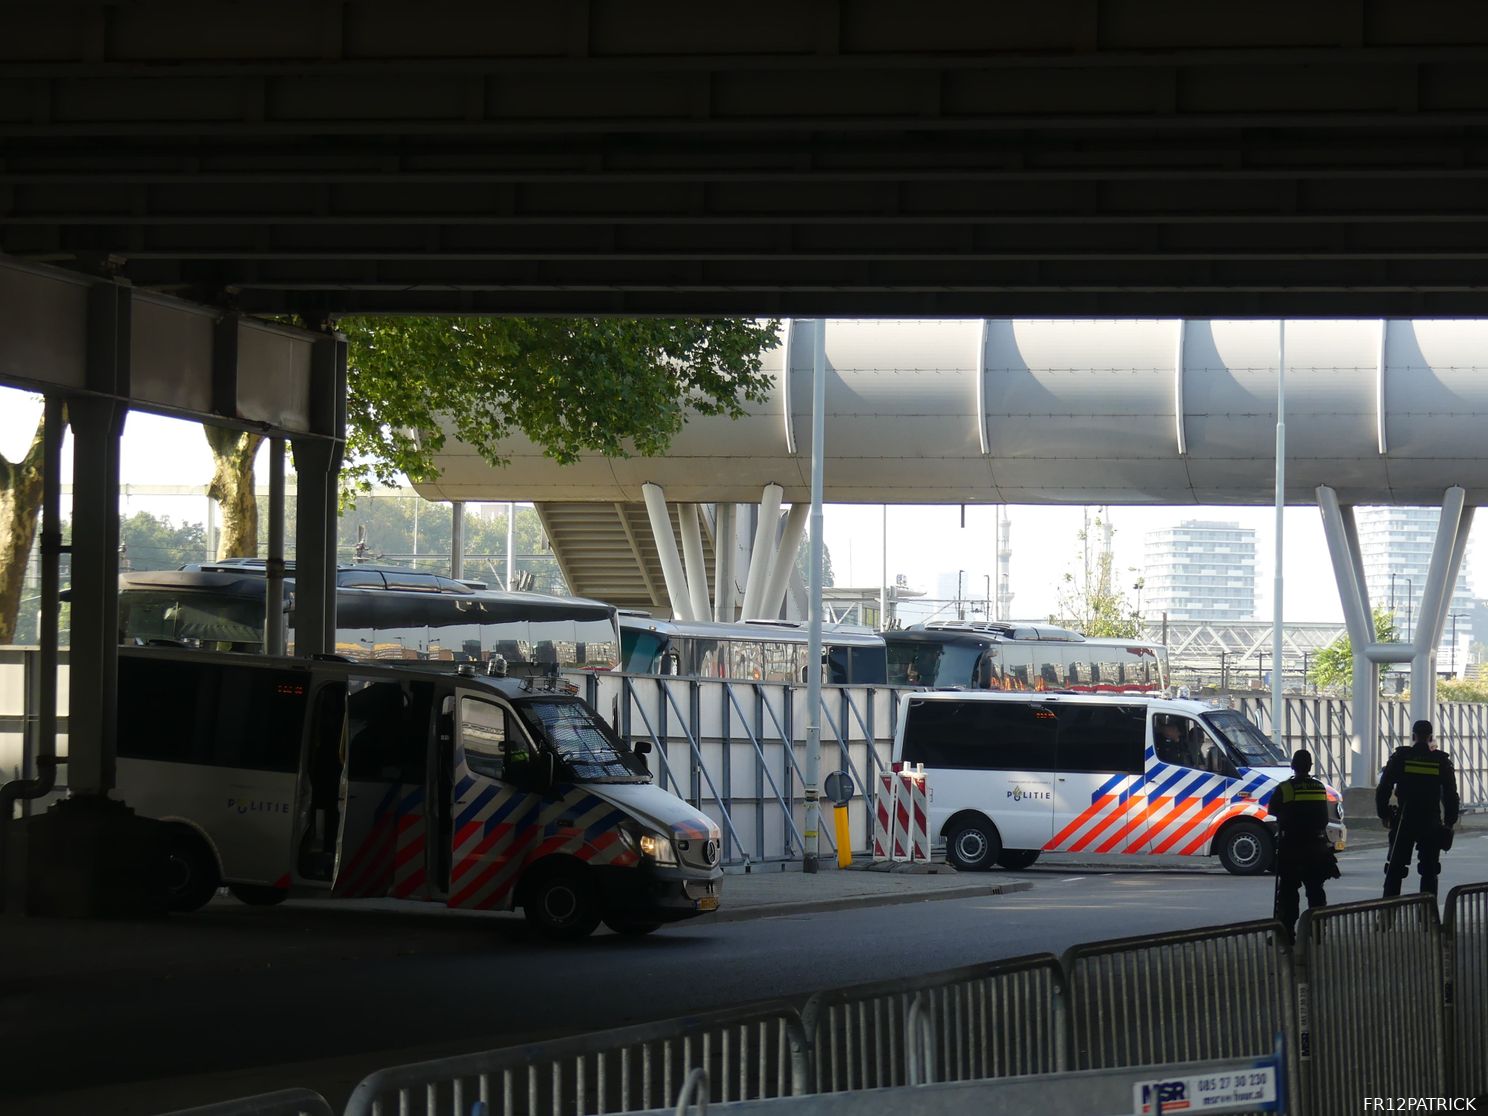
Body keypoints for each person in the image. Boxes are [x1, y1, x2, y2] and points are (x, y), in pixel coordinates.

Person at [1377, 719, 1460, 899]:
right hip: (1431, 820)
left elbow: (1384, 788)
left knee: (1395, 868)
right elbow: (1451, 795)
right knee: (1429, 870)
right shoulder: (1441, 761)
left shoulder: (1400, 757)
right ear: (1430, 737)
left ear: (1413, 736)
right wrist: (1450, 822)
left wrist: (1384, 814)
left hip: (1405, 819)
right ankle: (1428, 918)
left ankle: (1386, 916)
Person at [1271, 749, 1338, 945]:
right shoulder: (1319, 787)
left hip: (1292, 847)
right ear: (1310, 766)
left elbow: (1273, 809)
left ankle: (1287, 933)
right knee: (1316, 890)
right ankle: (1317, 931)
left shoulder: (1286, 788)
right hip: (1317, 847)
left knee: (1288, 892)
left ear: (1293, 765)